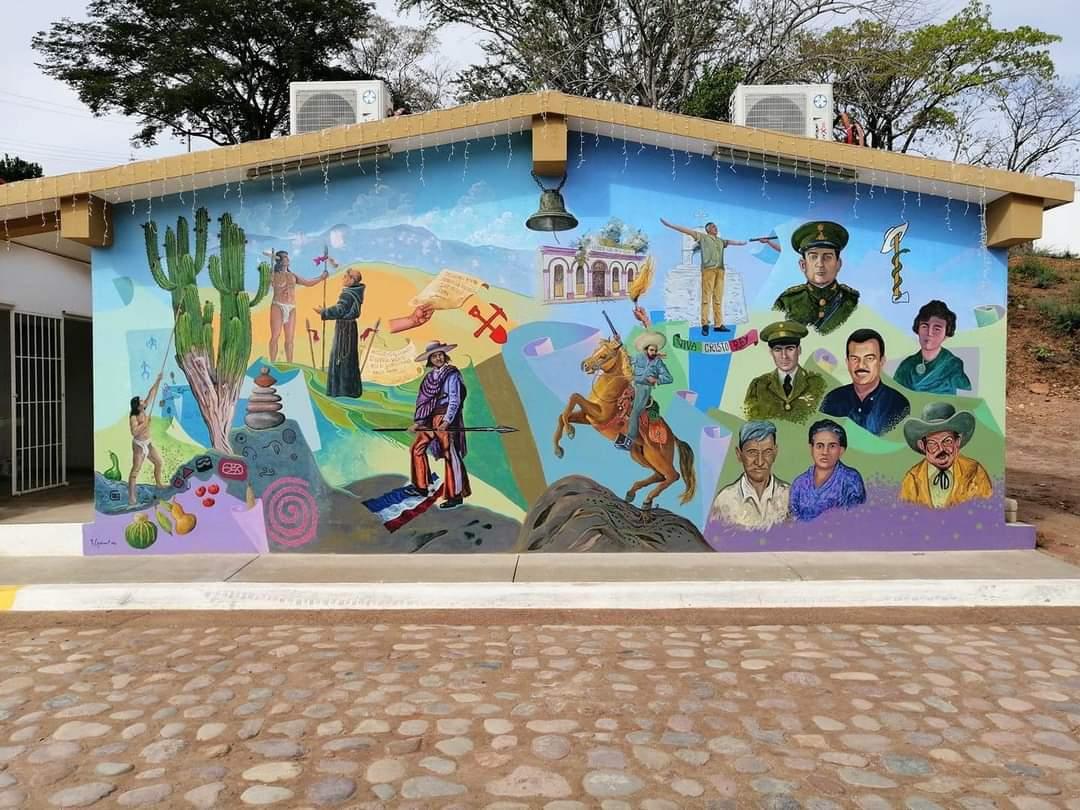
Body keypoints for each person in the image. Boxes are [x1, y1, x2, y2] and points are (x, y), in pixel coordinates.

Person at [409, 341, 471, 510]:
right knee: (417, 448)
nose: (438, 358)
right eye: (434, 356)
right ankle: (421, 486)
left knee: (450, 453)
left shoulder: (452, 375)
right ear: (430, 359)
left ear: (445, 356)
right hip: (429, 419)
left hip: (444, 417)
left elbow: (454, 399)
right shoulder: (429, 378)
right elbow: (423, 402)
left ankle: (455, 494)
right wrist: (418, 423)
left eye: (440, 355)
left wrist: (446, 421)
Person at [659, 218, 747, 335]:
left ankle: (718, 324)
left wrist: (742, 243)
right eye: (713, 227)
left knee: (718, 299)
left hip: (720, 271)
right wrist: (670, 225)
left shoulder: (720, 241)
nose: (716, 228)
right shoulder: (703, 237)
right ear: (708, 230)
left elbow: (731, 242)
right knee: (706, 298)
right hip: (708, 270)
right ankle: (705, 324)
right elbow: (686, 230)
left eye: (716, 227)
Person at [900, 402, 992, 509]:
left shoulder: (974, 472)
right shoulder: (912, 478)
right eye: (932, 444)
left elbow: (984, 511)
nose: (941, 449)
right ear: (922, 446)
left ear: (957, 442)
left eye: (947, 441)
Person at [774, 221, 859, 335]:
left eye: (827, 257)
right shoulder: (787, 302)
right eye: (813, 257)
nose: (820, 264)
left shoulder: (852, 300)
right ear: (803, 265)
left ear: (838, 264)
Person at [821, 328, 910, 436]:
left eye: (869, 358)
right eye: (854, 359)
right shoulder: (832, 400)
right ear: (847, 362)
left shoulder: (899, 405)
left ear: (882, 361)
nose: (861, 365)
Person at [709, 420, 790, 530]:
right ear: (739, 454)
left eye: (767, 452)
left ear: (775, 453)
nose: (760, 462)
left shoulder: (789, 496)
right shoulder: (725, 500)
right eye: (752, 452)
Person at [743, 320, 826, 423]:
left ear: (799, 350)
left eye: (790, 349)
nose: (784, 356)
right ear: (771, 352)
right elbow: (749, 421)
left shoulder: (817, 383)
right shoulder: (759, 385)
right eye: (777, 350)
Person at [789, 419, 866, 521]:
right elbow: (792, 521)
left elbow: (855, 520)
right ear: (811, 448)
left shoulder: (850, 479)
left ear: (841, 450)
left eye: (832, 446)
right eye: (819, 446)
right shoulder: (799, 483)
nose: (825, 452)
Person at [894, 300, 972, 395]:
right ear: (917, 329)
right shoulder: (907, 365)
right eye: (924, 326)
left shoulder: (953, 365)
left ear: (946, 334)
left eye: (937, 329)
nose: (929, 333)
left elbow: (967, 398)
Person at [616, 331, 673, 451]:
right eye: (651, 350)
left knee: (635, 412)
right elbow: (626, 358)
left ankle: (629, 441)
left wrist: (656, 379)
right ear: (646, 349)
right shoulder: (639, 357)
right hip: (633, 385)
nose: (653, 352)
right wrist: (619, 342)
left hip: (644, 389)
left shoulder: (658, 363)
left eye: (655, 350)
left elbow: (669, 378)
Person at [270, 251, 328, 363]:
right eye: (285, 257)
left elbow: (308, 283)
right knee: (275, 336)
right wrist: (270, 274)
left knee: (290, 339)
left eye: (287, 257)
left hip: (291, 307)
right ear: (279, 260)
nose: (288, 259)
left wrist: (321, 277)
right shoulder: (273, 274)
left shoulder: (293, 276)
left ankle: (289, 363)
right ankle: (272, 362)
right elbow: (269, 284)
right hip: (278, 305)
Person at [316, 269, 365, 398]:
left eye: (345, 277)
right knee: (349, 358)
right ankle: (351, 391)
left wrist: (324, 312)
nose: (343, 278)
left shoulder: (347, 294)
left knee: (341, 355)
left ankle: (340, 391)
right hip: (350, 327)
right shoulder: (356, 292)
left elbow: (340, 310)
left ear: (352, 279)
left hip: (344, 329)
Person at [128, 371, 165, 506]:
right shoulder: (134, 417)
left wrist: (158, 380)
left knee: (159, 462)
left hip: (148, 443)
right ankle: (132, 498)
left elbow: (151, 393)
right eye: (141, 401)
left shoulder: (144, 409)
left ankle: (159, 484)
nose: (144, 401)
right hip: (139, 445)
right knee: (135, 471)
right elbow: (134, 432)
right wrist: (145, 424)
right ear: (137, 405)